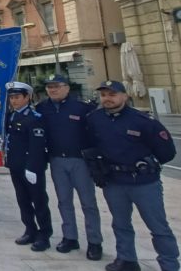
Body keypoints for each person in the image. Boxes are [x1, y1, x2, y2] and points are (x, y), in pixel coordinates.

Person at [87, 81, 178, 271]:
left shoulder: (143, 121)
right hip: (114, 181)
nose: (107, 99)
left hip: (144, 183)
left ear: (125, 96)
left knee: (158, 226)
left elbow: (167, 151)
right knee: (120, 224)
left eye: (112, 94)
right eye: (104, 95)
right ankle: (126, 259)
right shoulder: (95, 119)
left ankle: (169, 264)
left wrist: (148, 163)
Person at [35, 74, 102, 260]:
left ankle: (95, 241)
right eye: (49, 87)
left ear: (67, 88)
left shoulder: (82, 108)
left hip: (80, 160)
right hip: (57, 159)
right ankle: (70, 237)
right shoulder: (42, 108)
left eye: (57, 86)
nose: (53, 90)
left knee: (88, 203)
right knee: (64, 201)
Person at [4, 82, 52, 252]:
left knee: (39, 201)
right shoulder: (11, 116)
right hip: (15, 165)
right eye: (11, 97)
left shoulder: (34, 117)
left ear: (27, 97)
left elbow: (37, 146)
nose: (14, 101)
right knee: (23, 200)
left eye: (17, 97)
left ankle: (44, 235)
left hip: (31, 167)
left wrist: (32, 167)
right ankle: (30, 230)